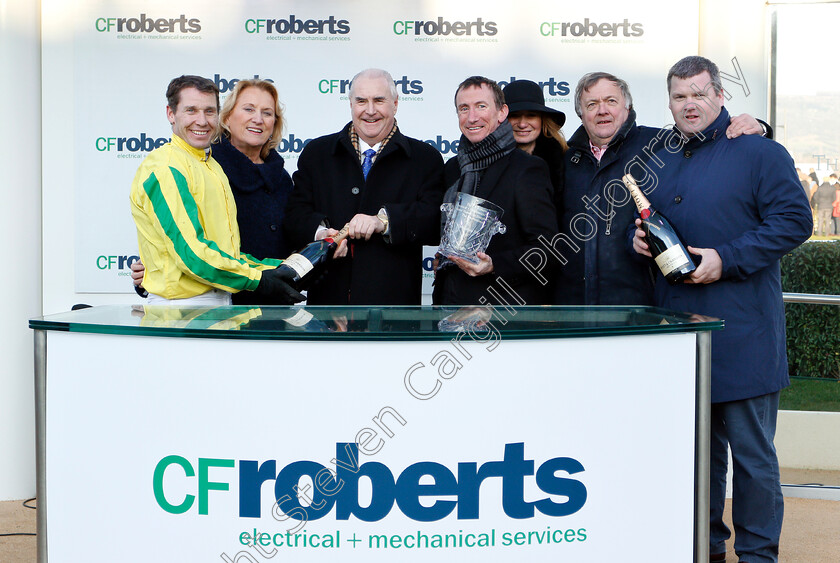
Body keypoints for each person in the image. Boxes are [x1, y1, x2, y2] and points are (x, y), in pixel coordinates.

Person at [631, 56, 813, 563]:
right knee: (698, 460)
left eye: (699, 93)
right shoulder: (661, 158)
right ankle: (705, 550)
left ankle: (758, 555)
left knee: (753, 461)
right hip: (683, 338)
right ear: (668, 102)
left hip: (744, 335)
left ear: (720, 96)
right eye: (679, 95)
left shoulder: (758, 150)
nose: (690, 104)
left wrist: (725, 259)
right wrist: (639, 239)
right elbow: (651, 220)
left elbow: (795, 220)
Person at [556, 71, 770, 306]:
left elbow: (710, 136)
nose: (602, 110)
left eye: (611, 101)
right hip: (574, 307)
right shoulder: (565, 159)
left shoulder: (660, 144)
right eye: (592, 104)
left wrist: (758, 126)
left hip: (641, 309)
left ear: (627, 108)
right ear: (581, 113)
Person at [129, 75, 304, 305]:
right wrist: (260, 279)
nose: (202, 121)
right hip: (183, 305)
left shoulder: (210, 165)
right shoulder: (166, 168)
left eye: (209, 111)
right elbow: (192, 255)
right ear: (171, 114)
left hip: (220, 300)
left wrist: (283, 269)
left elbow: (226, 253)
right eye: (191, 110)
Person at [283, 68, 445, 305]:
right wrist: (322, 235)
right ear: (350, 104)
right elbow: (295, 215)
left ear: (396, 104)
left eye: (379, 100)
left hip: (393, 309)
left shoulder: (425, 158)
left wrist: (384, 221)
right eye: (361, 101)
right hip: (328, 304)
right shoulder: (316, 154)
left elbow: (434, 222)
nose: (370, 111)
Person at [432, 76, 558, 305]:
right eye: (464, 108)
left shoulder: (527, 168)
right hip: (449, 305)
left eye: (481, 106)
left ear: (501, 113)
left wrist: (494, 265)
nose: (472, 117)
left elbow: (547, 248)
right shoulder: (453, 168)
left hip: (501, 315)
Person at [501, 79, 567, 195]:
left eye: (531, 116)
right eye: (514, 116)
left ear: (542, 120)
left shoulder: (566, 162)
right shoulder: (488, 163)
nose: (522, 124)